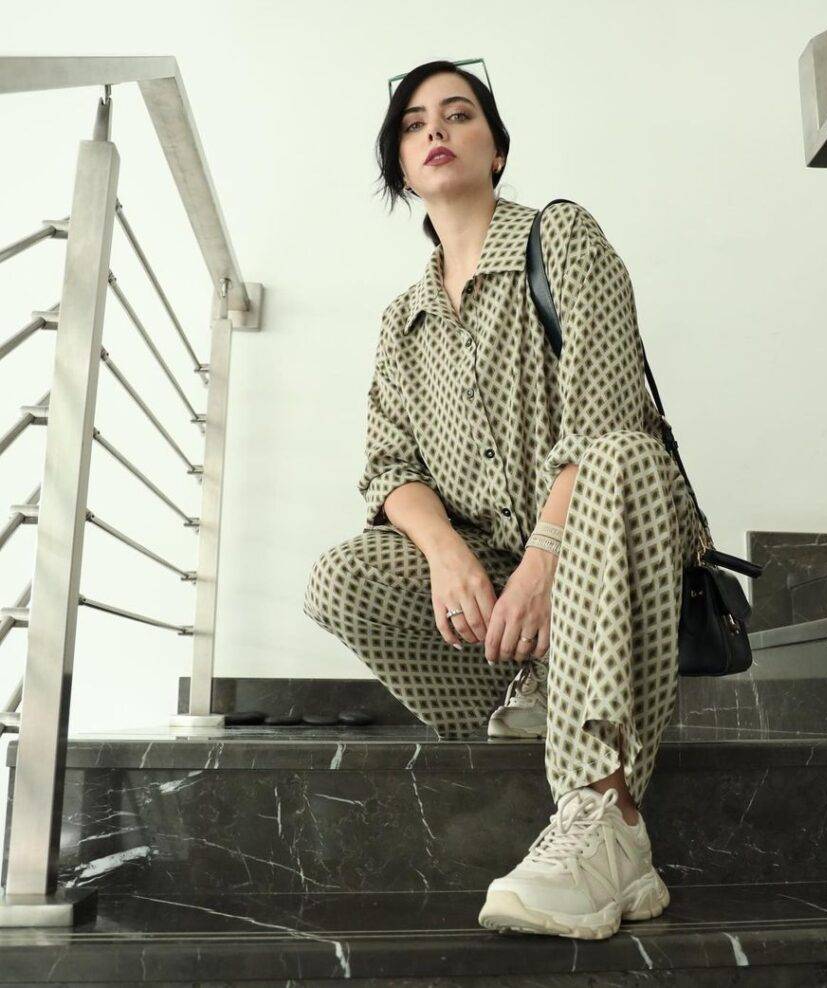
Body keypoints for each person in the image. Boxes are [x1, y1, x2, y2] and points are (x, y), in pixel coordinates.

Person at [303, 59, 703, 941]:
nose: (436, 131)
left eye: (458, 115)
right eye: (414, 125)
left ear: (495, 145)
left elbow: (602, 414)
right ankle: (532, 700)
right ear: (400, 165)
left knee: (619, 456)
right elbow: (386, 466)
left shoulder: (558, 240)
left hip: (605, 533)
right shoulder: (401, 319)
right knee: (342, 577)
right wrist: (448, 555)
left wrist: (543, 562)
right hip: (493, 570)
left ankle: (607, 817)